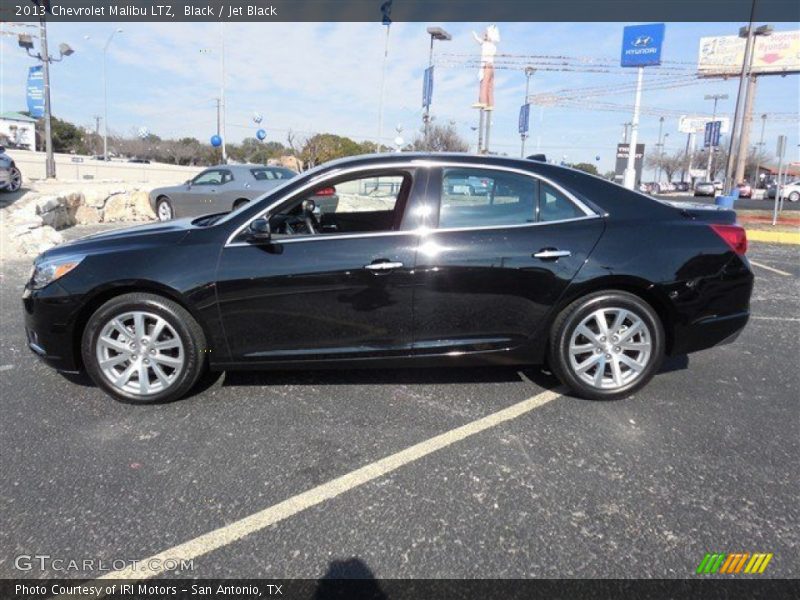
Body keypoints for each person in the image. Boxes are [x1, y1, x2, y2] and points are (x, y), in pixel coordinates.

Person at [472, 25, 500, 110]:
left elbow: (480, 41)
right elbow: (480, 40)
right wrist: (475, 36)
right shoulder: (493, 46)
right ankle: (490, 103)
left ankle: (482, 101)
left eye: (486, 34)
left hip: (486, 66)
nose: (484, 35)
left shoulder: (486, 44)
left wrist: (474, 35)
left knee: (484, 84)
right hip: (492, 67)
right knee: (490, 86)